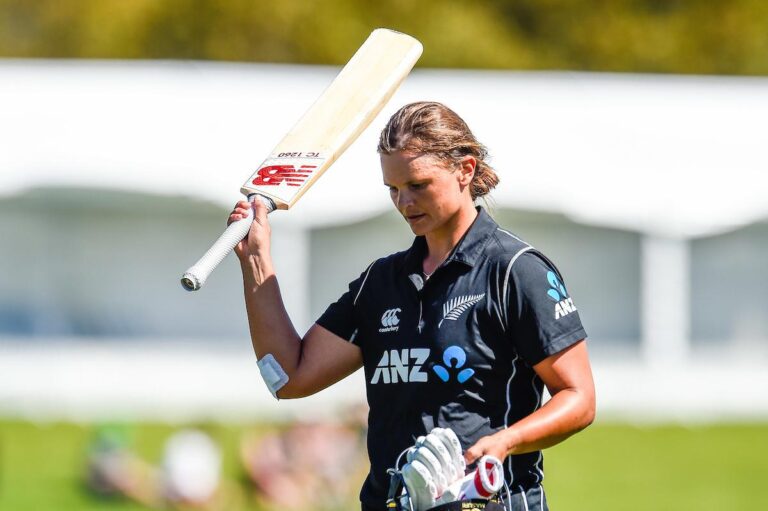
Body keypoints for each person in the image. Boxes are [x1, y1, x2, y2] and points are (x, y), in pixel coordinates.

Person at [230, 101, 596, 511]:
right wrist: (256, 261)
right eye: (393, 189)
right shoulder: (381, 283)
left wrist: (505, 442)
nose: (404, 202)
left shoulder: (515, 271)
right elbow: (289, 376)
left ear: (466, 170)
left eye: (418, 185)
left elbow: (578, 398)